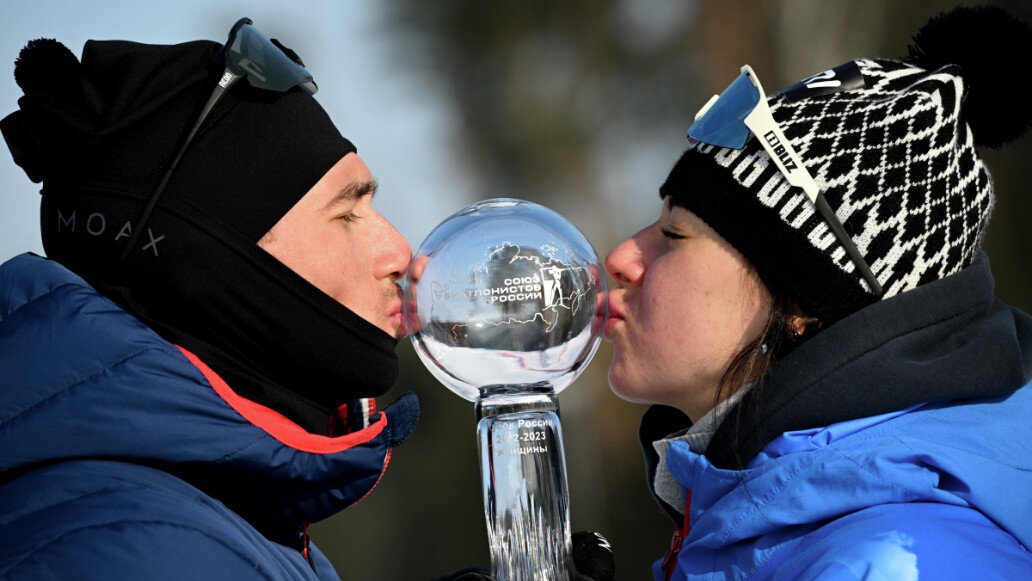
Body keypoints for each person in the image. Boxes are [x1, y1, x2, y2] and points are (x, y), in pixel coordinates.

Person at [603, 6, 1032, 580]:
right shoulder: (769, 527)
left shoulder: (892, 563)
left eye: (674, 235)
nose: (622, 259)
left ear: (805, 302)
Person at [0, 19, 419, 579]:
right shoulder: (144, 552)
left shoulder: (213, 518)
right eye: (346, 213)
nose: (398, 249)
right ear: (209, 262)